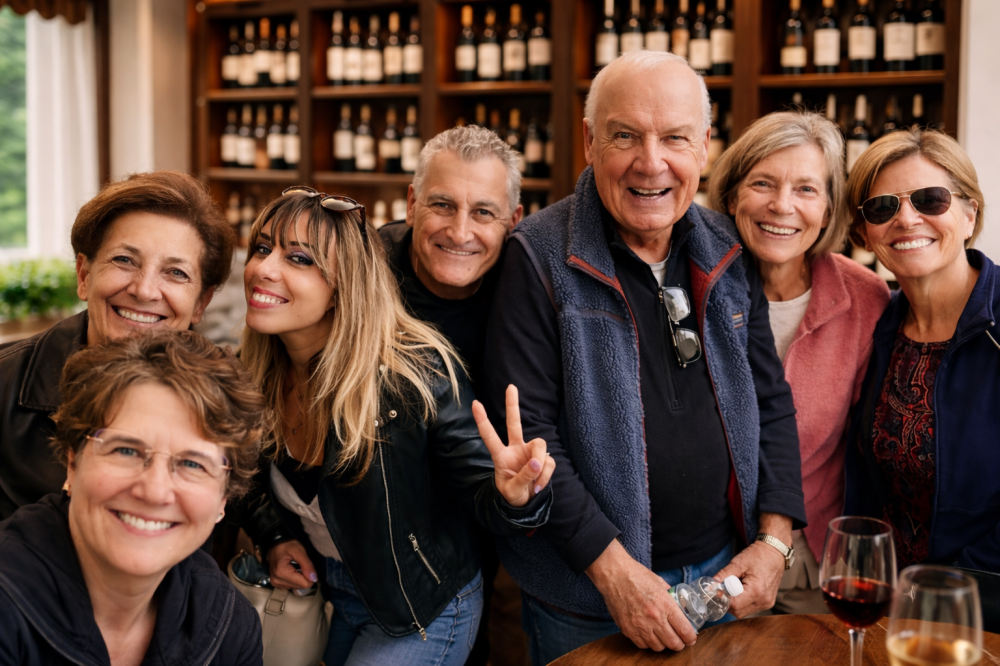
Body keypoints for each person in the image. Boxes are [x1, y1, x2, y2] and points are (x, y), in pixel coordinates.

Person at [482, 49, 806, 664]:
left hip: (723, 579)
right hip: (589, 593)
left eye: (675, 138)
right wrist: (614, 573)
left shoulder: (729, 248)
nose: (650, 162)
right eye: (625, 135)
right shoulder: (537, 257)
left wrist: (775, 541)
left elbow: (770, 401)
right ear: (588, 141)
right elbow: (532, 438)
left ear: (705, 145)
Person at [237, 187, 555, 666]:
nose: (264, 268)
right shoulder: (253, 372)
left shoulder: (412, 376)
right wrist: (275, 537)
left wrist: (516, 495)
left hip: (420, 609)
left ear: (346, 285)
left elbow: (488, 501)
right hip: (327, 590)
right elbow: (237, 474)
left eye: (299, 258)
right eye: (263, 248)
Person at [707, 111, 890, 613]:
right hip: (710, 566)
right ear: (730, 195)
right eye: (762, 182)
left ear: (830, 209)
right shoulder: (691, 290)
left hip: (820, 566)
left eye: (807, 189)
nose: (782, 206)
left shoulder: (867, 299)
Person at [0, 330, 264, 665]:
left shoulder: (230, 627)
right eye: (125, 450)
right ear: (72, 463)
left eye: (193, 463)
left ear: (223, 499)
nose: (154, 491)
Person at [0, 171, 235, 520]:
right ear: (84, 275)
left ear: (201, 303)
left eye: (175, 273)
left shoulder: (228, 395)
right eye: (124, 260)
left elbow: (252, 494)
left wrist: (271, 534)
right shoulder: (4, 382)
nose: (144, 290)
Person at [379, 124, 524, 665]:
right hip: (380, 530)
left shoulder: (529, 287)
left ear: (513, 219)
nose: (461, 231)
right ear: (413, 202)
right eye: (442, 204)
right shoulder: (362, 272)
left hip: (491, 520)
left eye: (483, 212)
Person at [844, 129, 1000, 573]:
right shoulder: (877, 325)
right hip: (890, 603)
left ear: (970, 213)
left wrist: (941, 594)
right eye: (883, 207)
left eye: (930, 199)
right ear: (864, 232)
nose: (907, 219)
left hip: (979, 608)